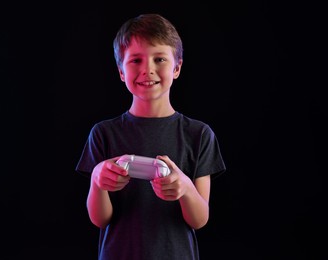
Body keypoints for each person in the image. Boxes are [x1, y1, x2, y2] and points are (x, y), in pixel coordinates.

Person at [75, 13, 226, 260]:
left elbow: (200, 219)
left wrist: (186, 188)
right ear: (121, 71)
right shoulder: (103, 133)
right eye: (135, 60)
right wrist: (96, 180)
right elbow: (100, 219)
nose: (148, 70)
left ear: (177, 67)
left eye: (159, 59)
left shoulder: (198, 134)